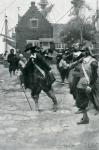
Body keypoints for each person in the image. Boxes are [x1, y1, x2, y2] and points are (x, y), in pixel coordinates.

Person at [22, 44, 58, 111]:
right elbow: (28, 67)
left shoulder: (37, 55)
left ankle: (55, 103)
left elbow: (44, 63)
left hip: (42, 76)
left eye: (27, 50)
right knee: (35, 92)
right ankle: (36, 106)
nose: (27, 52)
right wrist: (23, 70)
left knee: (48, 91)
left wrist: (49, 70)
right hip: (36, 78)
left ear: (30, 50)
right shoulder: (32, 57)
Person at [75, 47, 98, 124]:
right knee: (82, 103)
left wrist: (90, 86)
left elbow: (95, 76)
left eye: (84, 51)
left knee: (96, 103)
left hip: (91, 85)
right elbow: (77, 71)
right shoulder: (83, 61)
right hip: (82, 85)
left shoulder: (93, 62)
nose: (82, 53)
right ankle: (85, 119)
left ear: (88, 52)